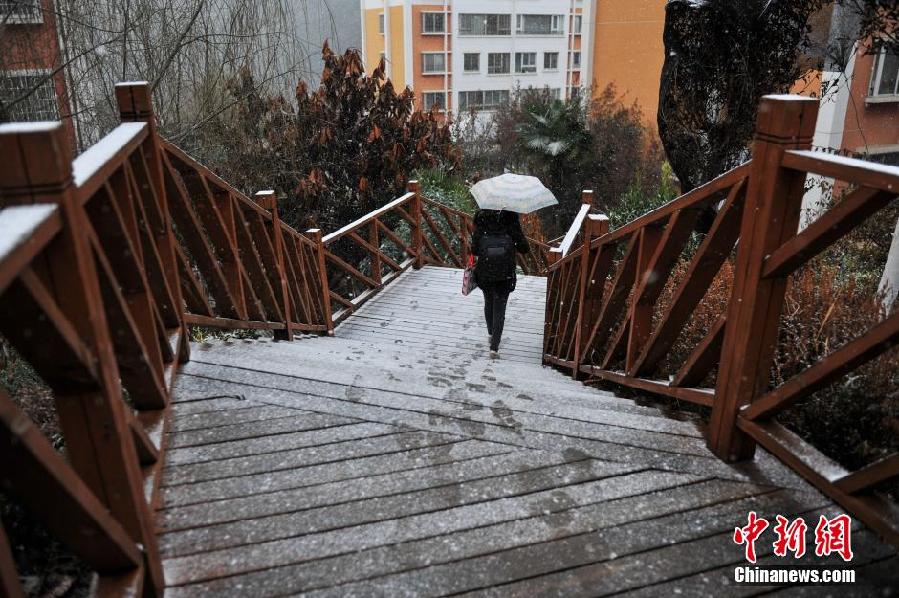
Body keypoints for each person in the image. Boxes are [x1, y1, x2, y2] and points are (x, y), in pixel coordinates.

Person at [471, 209, 530, 357]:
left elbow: (474, 249)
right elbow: (524, 248)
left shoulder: (481, 217)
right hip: (505, 271)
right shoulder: (510, 217)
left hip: (485, 269)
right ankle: (494, 347)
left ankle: (491, 333)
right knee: (500, 307)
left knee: (488, 302)